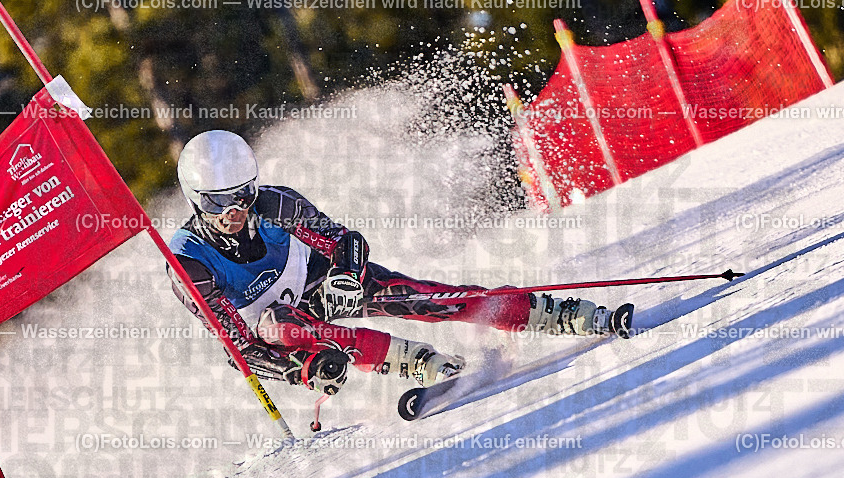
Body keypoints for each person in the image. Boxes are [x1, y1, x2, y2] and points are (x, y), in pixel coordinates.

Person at [168, 130, 632, 397]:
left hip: (321, 287)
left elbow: (342, 240)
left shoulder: (275, 205)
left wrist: (348, 275)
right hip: (282, 332)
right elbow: (238, 346)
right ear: (195, 199)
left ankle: (560, 314)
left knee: (423, 297)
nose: (235, 210)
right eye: (219, 201)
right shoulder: (189, 263)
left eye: (242, 194)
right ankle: (423, 365)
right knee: (279, 324)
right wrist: (301, 371)